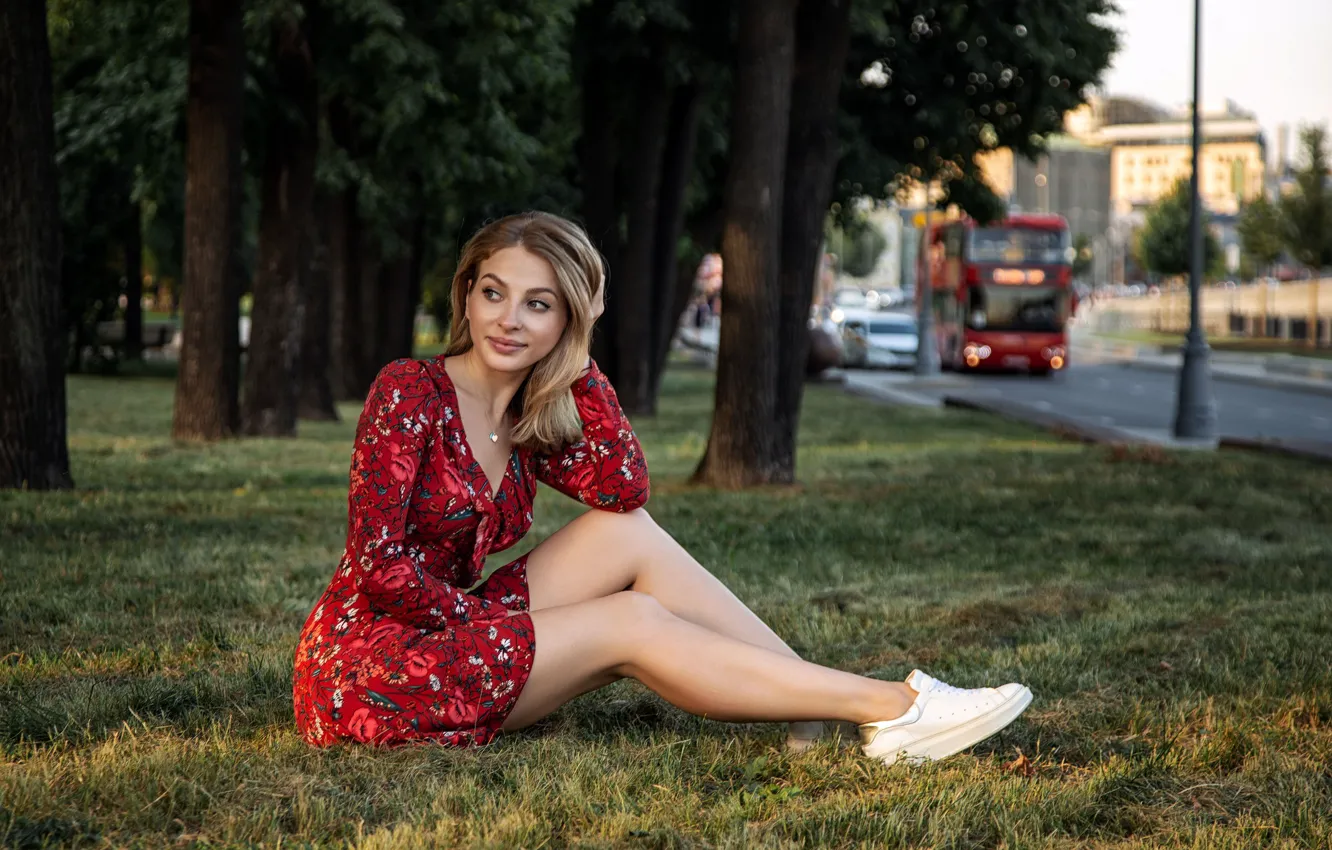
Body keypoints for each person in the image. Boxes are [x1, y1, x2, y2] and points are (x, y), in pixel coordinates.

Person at [292, 211, 1032, 764]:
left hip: (450, 629)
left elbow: (624, 489)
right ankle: (894, 708)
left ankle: (803, 705)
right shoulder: (409, 392)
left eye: (539, 304)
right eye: (494, 293)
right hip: (369, 666)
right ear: (468, 295)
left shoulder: (530, 416)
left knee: (626, 537)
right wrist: (484, 626)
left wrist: (579, 364)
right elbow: (382, 566)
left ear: (570, 318)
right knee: (631, 620)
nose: (507, 320)